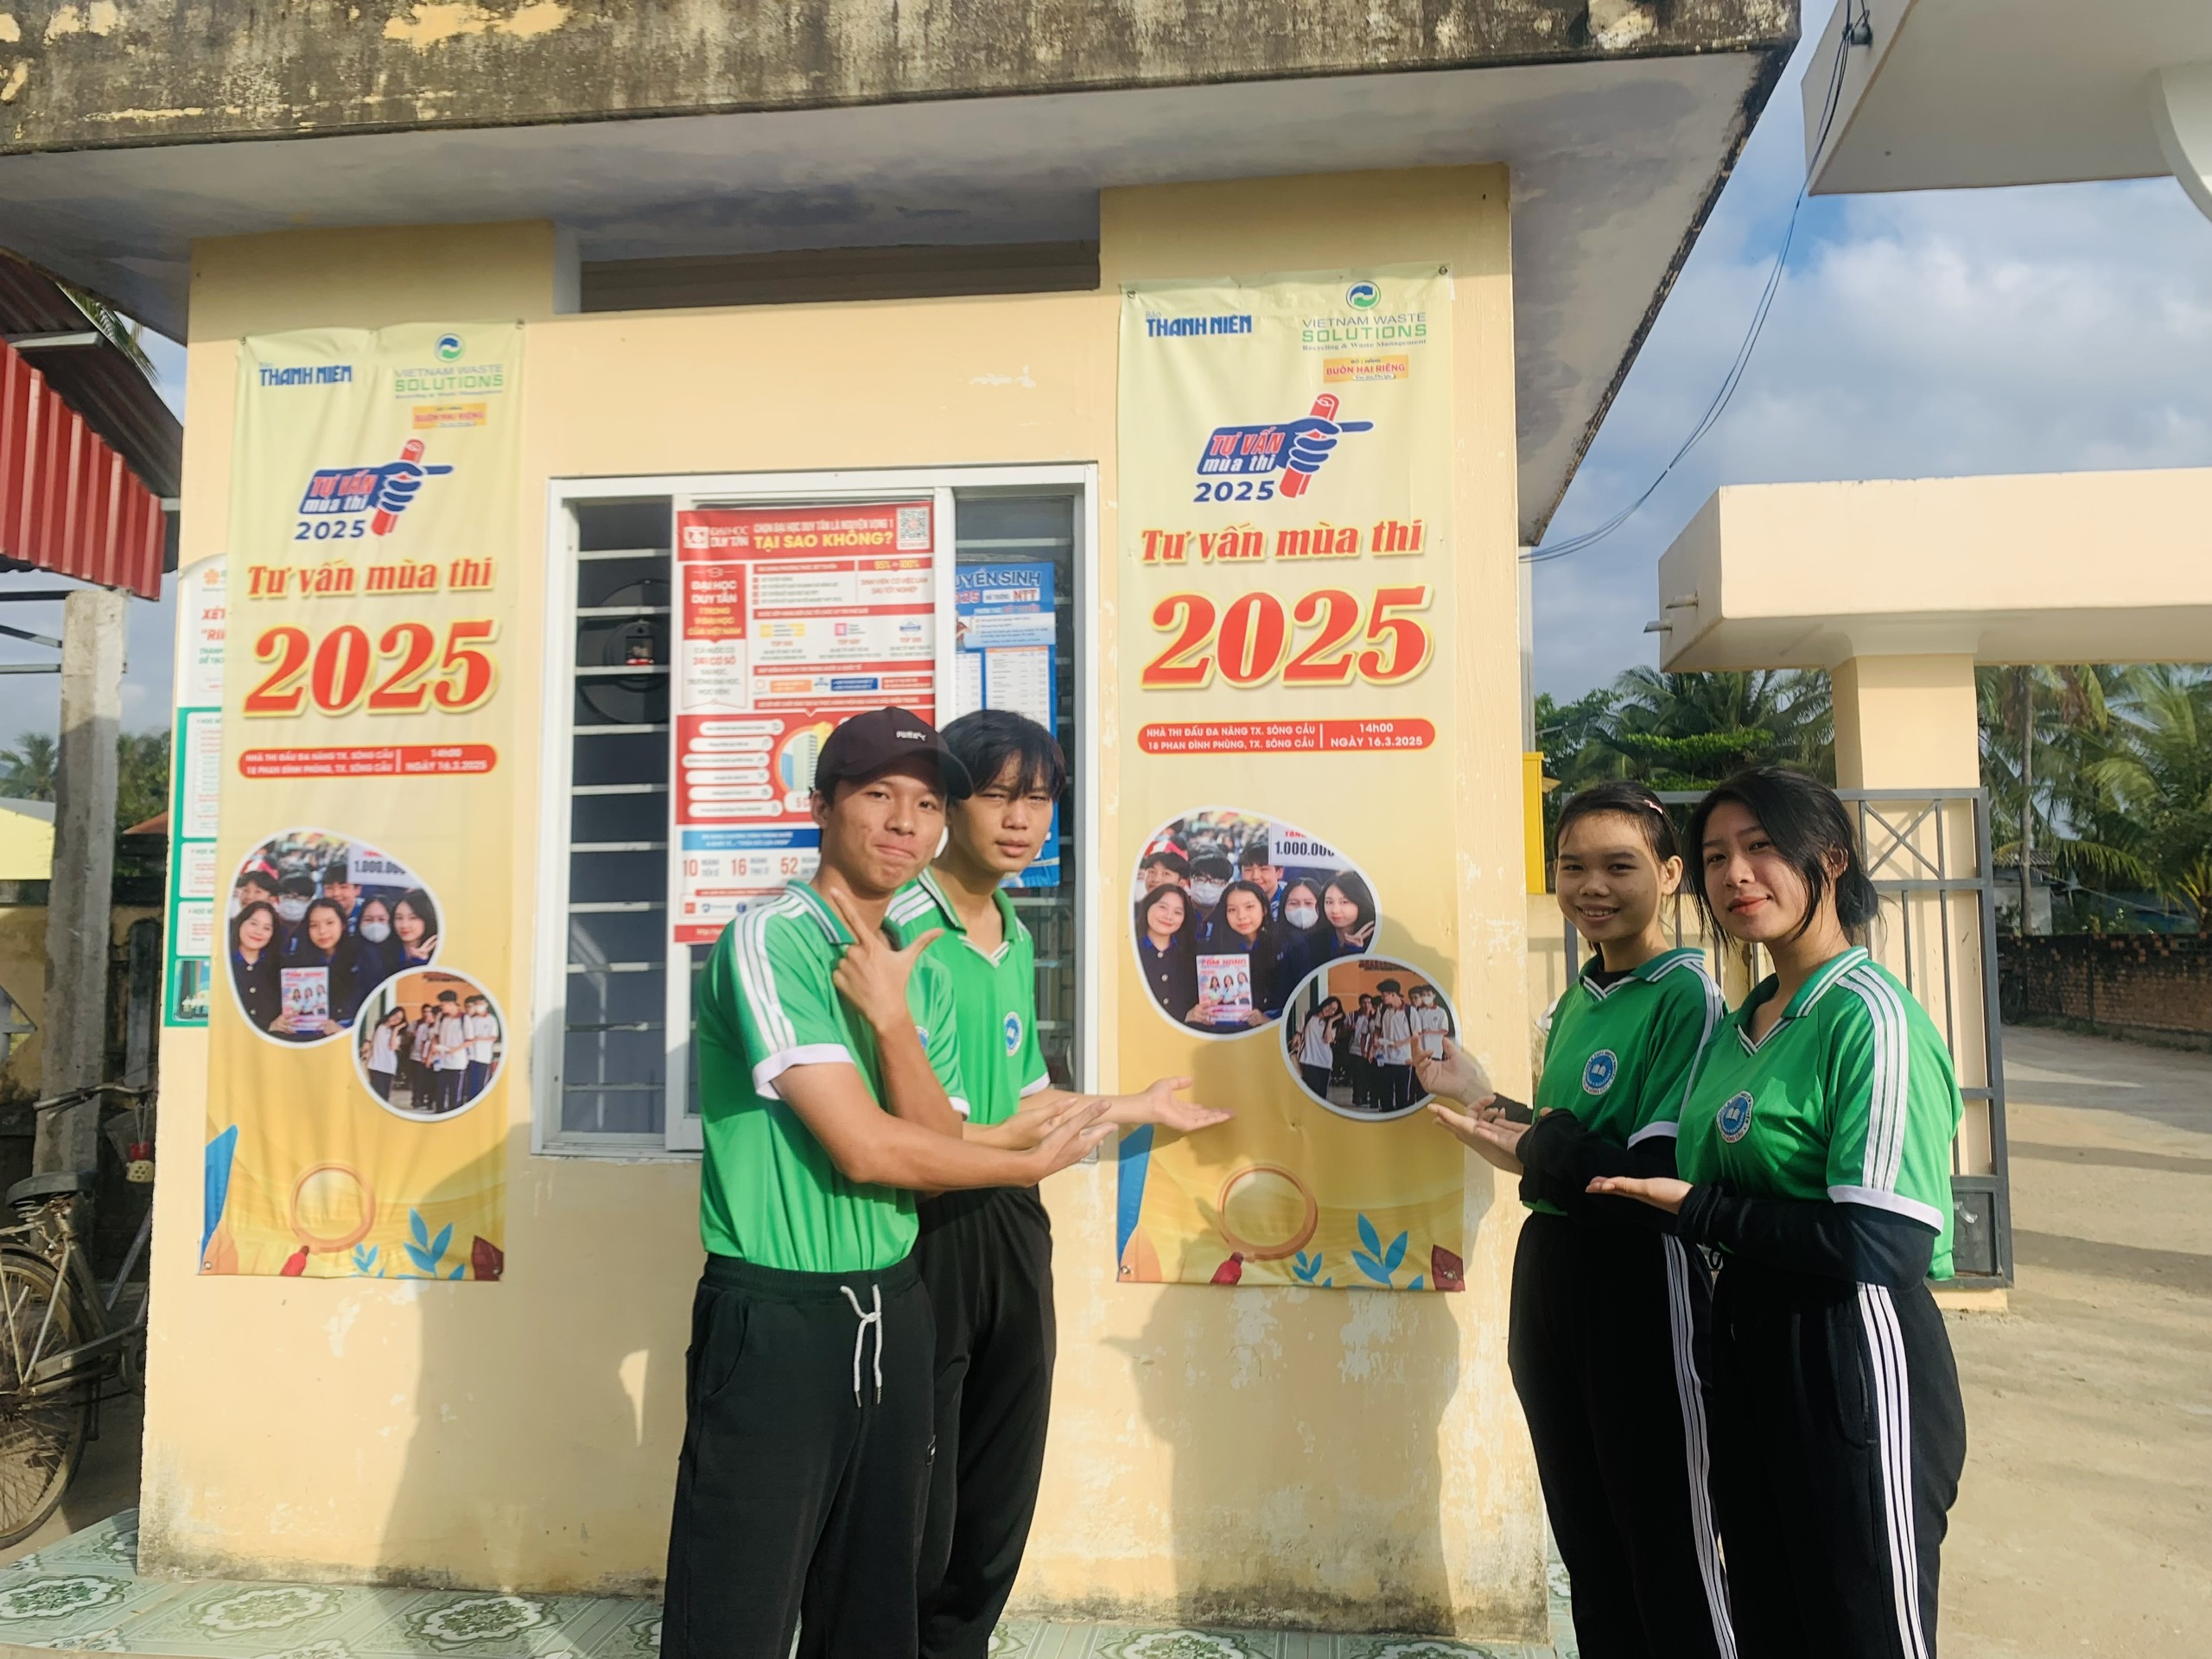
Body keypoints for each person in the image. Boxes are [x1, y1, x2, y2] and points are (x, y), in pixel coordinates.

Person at [663, 707, 1110, 1659]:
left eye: (926, 803)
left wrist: (895, 1019)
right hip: (780, 1313)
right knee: (737, 1610)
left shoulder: (915, 961)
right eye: (877, 794)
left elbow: (935, 1142)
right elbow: (866, 1149)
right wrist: (1022, 1165)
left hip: (895, 1308)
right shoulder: (772, 939)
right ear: (821, 805)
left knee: (875, 1613)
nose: (905, 822)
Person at [1589, 767, 1967, 1659]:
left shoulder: (1869, 1018)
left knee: (1862, 1628)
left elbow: (1886, 1241)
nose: (1736, 874)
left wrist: (1706, 1212)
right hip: (1745, 1342)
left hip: (1850, 1351)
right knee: (1768, 1617)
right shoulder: (1742, 1024)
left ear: (1829, 859)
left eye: (1761, 847)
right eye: (1716, 856)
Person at [882, 709, 1230, 1659]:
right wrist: (1028, 1141)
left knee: (1000, 1480)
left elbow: (1027, 1100)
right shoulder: (906, 930)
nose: (1021, 819)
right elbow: (925, 1135)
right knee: (920, 1495)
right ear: (946, 804)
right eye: (997, 795)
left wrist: (1130, 1107)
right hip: (927, 1228)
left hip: (1011, 1216)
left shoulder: (1009, 930)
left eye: (1038, 799)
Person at [1421, 780, 1734, 1659]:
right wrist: (1483, 1102)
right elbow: (1561, 1155)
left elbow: (1644, 1173)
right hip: (1552, 1264)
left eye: (1619, 866)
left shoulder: (1685, 996)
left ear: (1669, 874)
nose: (1592, 886)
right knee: (1587, 1539)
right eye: (1572, 867)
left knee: (1665, 1539)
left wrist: (1533, 1135)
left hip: (1639, 1272)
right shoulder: (1577, 1000)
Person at [1191, 878, 1279, 1029]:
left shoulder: (1283, 947)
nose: (1241, 916)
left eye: (1249, 907)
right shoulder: (1211, 952)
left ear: (1264, 909)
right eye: (1232, 910)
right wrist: (1197, 1013)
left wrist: (1267, 1019)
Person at [276, 897, 365, 1039]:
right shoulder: (294, 965)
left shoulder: (360, 959)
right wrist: (280, 1023)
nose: (322, 931)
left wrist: (343, 1030)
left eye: (329, 923)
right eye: (314, 925)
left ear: (342, 924)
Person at [1135, 885, 1199, 1022]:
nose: (1169, 916)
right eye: (1163, 907)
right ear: (1148, 907)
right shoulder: (1130, 950)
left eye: (1178, 912)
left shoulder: (1191, 956)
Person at [229, 901, 283, 1033]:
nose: (259, 932)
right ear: (240, 923)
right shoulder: (225, 964)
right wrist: (265, 1027)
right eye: (253, 924)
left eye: (267, 928)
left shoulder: (278, 969)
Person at [1274, 874, 1329, 988]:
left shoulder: (1331, 942)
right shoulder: (1272, 943)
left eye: (1308, 903)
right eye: (1293, 903)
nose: (1301, 909)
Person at [1370, 979, 1415, 1112]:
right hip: (1385, 1058)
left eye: (1384, 995)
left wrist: (1399, 1043)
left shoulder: (1410, 1011)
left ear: (1393, 994)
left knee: (1402, 1095)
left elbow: (1416, 1035)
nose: (1382, 998)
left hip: (1403, 1059)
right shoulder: (1382, 1009)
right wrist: (1375, 1039)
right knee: (1385, 1094)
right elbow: (1377, 1028)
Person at [1319, 871, 1377, 963]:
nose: (1335, 910)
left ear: (1360, 903)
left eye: (1344, 902)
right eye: (1329, 902)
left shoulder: (1378, 939)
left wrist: (1354, 950)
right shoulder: (1313, 942)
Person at [1294, 996, 1344, 1099]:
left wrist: (1331, 1021)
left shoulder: (1332, 1024)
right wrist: (1297, 1038)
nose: (1330, 1010)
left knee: (1321, 1094)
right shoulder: (1307, 1015)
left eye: (1333, 1009)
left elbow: (1328, 1039)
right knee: (1313, 1089)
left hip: (1324, 1061)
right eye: (1329, 1006)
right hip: (1307, 1058)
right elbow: (1298, 1033)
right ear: (1324, 1004)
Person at [430, 989, 470, 1112]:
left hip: (457, 1061)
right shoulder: (441, 1017)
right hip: (442, 1060)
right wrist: (434, 1046)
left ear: (451, 1003)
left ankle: (455, 1111)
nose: (441, 1007)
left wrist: (454, 1050)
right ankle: (440, 1110)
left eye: (443, 1004)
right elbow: (435, 1035)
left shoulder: (464, 1019)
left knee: (455, 1092)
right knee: (440, 1089)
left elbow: (470, 1040)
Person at [354, 895, 403, 984]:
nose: (375, 925)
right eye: (368, 919)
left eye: (381, 919)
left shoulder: (403, 953)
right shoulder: (349, 952)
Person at [362, 1007, 406, 1101]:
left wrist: (395, 1030)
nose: (395, 1019)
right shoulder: (378, 1025)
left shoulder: (398, 1033)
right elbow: (369, 1039)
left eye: (399, 1019)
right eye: (395, 1015)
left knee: (385, 1095)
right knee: (377, 1092)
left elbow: (392, 1046)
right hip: (375, 1064)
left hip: (389, 1065)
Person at [463, 994, 499, 1102]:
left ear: (486, 1005)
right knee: (471, 1081)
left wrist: (480, 1038)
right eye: (477, 1004)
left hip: (484, 1055)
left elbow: (493, 1037)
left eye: (481, 1004)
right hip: (471, 1055)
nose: (479, 1006)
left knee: (481, 1081)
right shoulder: (472, 1019)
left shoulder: (491, 1019)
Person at [272, 872, 316, 956]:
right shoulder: (269, 926)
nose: (293, 903)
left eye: (300, 898)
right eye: (288, 897)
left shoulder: (314, 930)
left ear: (310, 901)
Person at [393, 888, 440, 966]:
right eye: (399, 918)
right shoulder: (383, 953)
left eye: (413, 918)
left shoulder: (440, 952)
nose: (404, 925)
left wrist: (420, 962)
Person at [1237, 839, 1284, 913]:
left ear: (1279, 872)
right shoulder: (1233, 903)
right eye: (1248, 870)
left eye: (1263, 869)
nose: (1255, 877)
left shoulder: (1291, 902)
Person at [321, 858, 362, 929]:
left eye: (343, 887)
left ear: (357, 890)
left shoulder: (367, 914)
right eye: (329, 888)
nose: (336, 894)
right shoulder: (316, 915)